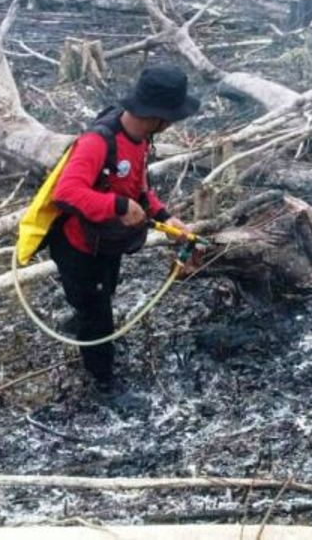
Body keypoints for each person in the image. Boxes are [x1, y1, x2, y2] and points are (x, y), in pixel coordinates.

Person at [48, 65, 199, 392]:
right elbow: (66, 192)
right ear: (156, 115)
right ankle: (103, 381)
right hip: (78, 246)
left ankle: (84, 316)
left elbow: (138, 187)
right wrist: (116, 206)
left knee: (107, 289)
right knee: (98, 316)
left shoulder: (141, 140)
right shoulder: (98, 142)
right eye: (172, 117)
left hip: (106, 241)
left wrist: (164, 215)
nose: (173, 124)